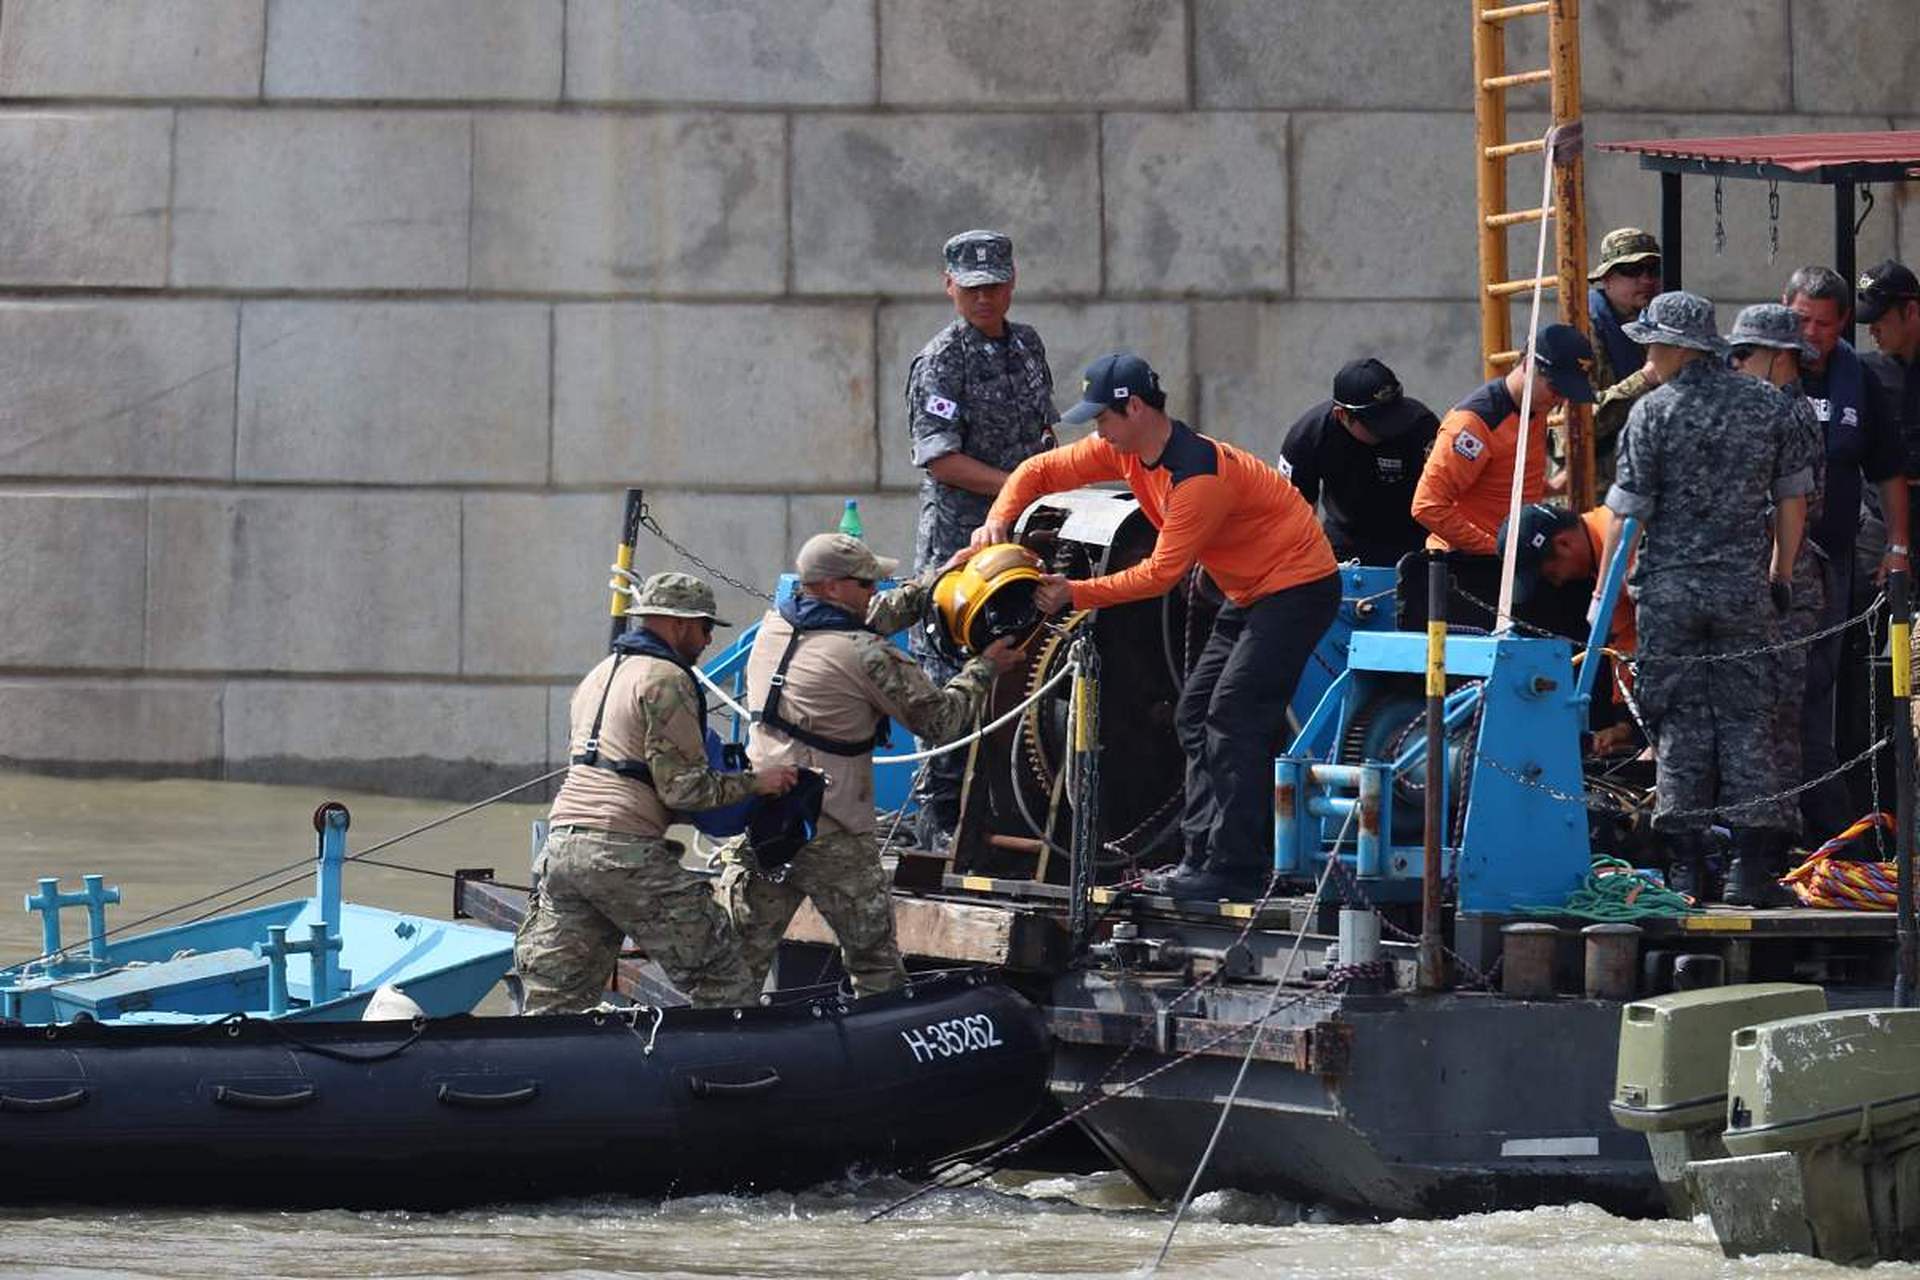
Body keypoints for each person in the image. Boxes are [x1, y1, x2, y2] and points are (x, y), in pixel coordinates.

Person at [976, 352, 1339, 902]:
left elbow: (1159, 575)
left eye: (1102, 419)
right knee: (1196, 713)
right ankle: (1200, 857)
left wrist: (1072, 593)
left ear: (1136, 408)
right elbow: (1039, 470)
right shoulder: (1125, 451)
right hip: (1248, 589)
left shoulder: (1196, 478)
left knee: (1233, 715)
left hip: (1296, 589)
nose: (1097, 432)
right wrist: (1000, 516)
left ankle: (1238, 866)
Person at [720, 533, 1021, 996]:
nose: (874, 593)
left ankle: (716, 1047)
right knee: (875, 965)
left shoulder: (774, 625)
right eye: (866, 584)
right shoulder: (867, 655)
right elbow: (941, 721)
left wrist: (938, 578)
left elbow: (874, 615)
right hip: (833, 828)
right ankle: (893, 1050)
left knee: (737, 964)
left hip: (767, 822)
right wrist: (984, 667)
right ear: (834, 587)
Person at [1596, 291, 1815, 906]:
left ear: (1674, 347)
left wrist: (1603, 593)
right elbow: (1793, 498)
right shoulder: (1768, 407)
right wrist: (1782, 571)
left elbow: (1627, 514)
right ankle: (1750, 868)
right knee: (1749, 720)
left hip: (1669, 593)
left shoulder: (1653, 414)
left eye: (1652, 345)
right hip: (1744, 589)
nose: (1648, 356)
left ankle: (1688, 869)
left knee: (1680, 725)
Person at [514, 573, 798, 1014]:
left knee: (556, 1002)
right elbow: (684, 789)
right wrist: (759, 782)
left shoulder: (599, 674)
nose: (706, 641)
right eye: (705, 628)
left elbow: (630, 773)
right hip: (621, 853)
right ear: (679, 624)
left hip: (562, 849)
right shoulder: (667, 679)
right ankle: (731, 1077)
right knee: (722, 976)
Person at [903, 228, 1057, 852]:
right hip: (960, 546)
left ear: (1012, 282)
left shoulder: (1026, 345)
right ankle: (939, 821)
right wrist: (1019, 485)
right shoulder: (942, 359)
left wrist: (1048, 478)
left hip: (1024, 540)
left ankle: (1015, 809)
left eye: (994, 285)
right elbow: (940, 459)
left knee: (1028, 665)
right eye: (971, 289)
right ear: (949, 287)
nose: (984, 298)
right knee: (949, 677)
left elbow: (1045, 430)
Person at [1783, 265, 1909, 842]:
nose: (1811, 333)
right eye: (1802, 319)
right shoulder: (1759, 369)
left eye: (1824, 325)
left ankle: (1821, 824)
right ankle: (1762, 828)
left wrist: (1897, 546)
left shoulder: (1859, 377)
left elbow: (1887, 471)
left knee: (1819, 689)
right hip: (1764, 570)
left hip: (1828, 564)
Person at [1728, 302, 1829, 869]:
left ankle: (1774, 843)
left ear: (1779, 358)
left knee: (1778, 718)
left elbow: (1798, 507)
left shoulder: (1789, 415)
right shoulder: (1767, 410)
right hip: (1761, 577)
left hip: (1783, 579)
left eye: (1746, 355)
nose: (1736, 364)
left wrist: (1776, 572)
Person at [1411, 323, 1597, 627]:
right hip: (1469, 570)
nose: (1560, 401)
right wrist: (1496, 548)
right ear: (1529, 366)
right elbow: (1427, 505)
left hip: (1515, 564)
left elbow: (1504, 479)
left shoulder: (1533, 409)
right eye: (1556, 389)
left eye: (1567, 393)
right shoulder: (1473, 424)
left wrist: (1550, 488)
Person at [1498, 501, 1639, 751]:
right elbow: (1625, 641)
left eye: (1550, 573)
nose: (1557, 582)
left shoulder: (1631, 549)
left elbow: (1676, 644)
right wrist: (1626, 724)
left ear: (1564, 544)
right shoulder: (1602, 564)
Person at [1277, 356, 1439, 566]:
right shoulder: (1308, 436)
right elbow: (1295, 517)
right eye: (1377, 423)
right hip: (1346, 547)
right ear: (1342, 415)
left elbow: (1446, 497)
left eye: (1394, 416)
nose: (1390, 430)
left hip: (1415, 544)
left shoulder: (1420, 426)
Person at [1581, 227, 1665, 485]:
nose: (1646, 279)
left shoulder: (1662, 325)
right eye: (1631, 271)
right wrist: (1645, 379)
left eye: (1652, 270)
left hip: (1648, 479)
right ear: (1606, 279)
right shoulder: (1582, 332)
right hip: (1596, 488)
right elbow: (1578, 424)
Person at [1857, 259, 1920, 549]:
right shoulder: (1865, 371)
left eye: (1879, 319)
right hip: (1880, 525)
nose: (1872, 331)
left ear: (1910, 311)